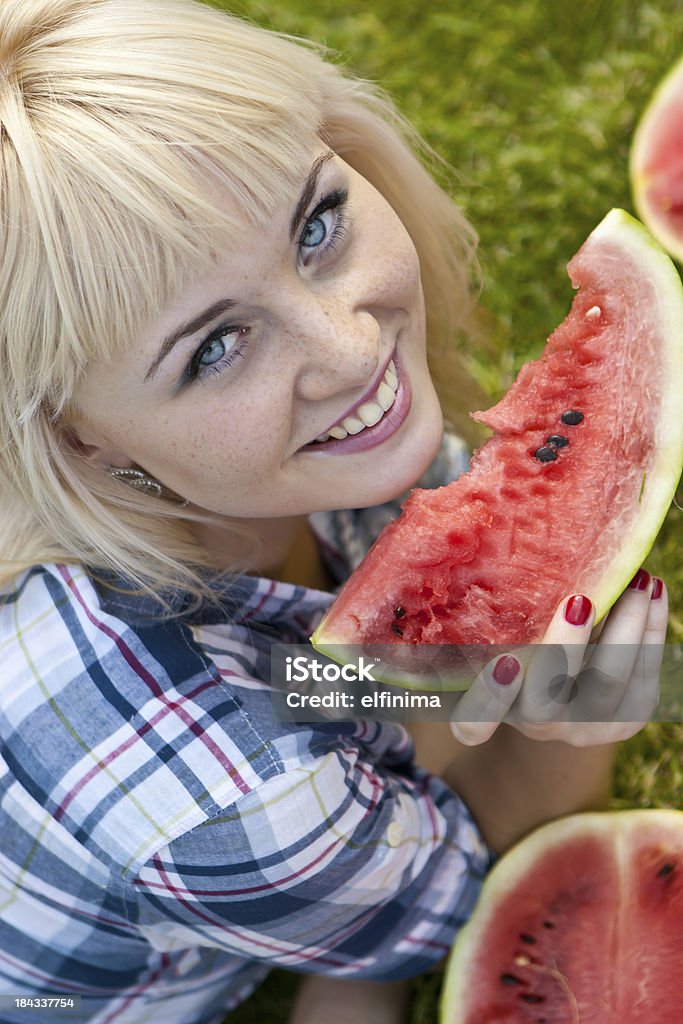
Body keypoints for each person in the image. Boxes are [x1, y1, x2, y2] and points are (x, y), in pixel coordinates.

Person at [0, 1, 667, 1022]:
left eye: (316, 224)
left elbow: (323, 676)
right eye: (214, 348)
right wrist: (569, 729)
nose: (351, 351)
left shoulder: (257, 474)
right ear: (83, 442)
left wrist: (447, 682)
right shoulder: (233, 796)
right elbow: (464, 885)